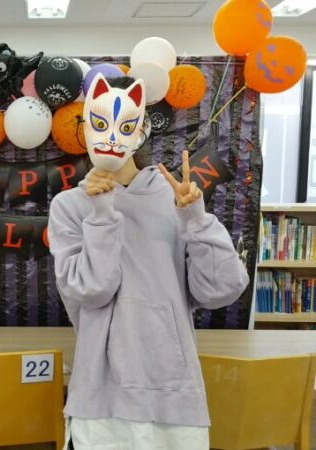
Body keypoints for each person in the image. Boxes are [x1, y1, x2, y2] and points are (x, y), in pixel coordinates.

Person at [48, 74, 249, 450]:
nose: (111, 136)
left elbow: (223, 290)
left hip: (172, 390)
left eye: (126, 125)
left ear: (141, 131)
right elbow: (91, 291)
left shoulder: (174, 198)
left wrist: (196, 220)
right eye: (99, 121)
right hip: (101, 395)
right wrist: (102, 213)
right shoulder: (69, 206)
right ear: (85, 126)